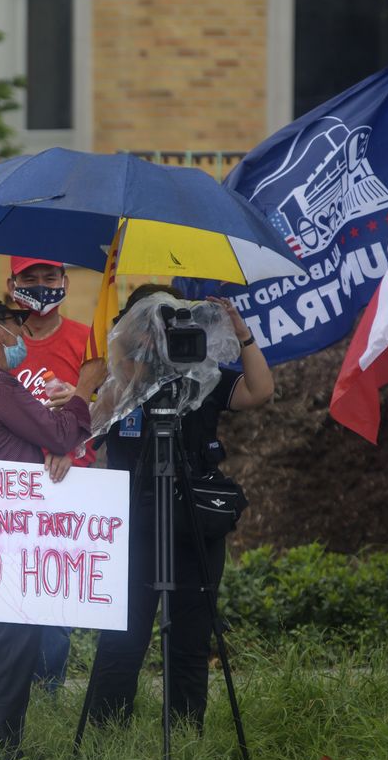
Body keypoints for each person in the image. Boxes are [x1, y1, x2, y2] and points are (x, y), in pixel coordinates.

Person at [83, 285, 274, 732]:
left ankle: (186, 735)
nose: (161, 333)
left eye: (171, 320)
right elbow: (87, 432)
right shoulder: (121, 386)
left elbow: (260, 391)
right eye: (151, 323)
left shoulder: (203, 377)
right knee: (123, 639)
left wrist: (242, 335)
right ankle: (106, 736)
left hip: (195, 526)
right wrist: (130, 363)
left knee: (190, 639)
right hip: (135, 527)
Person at [0, 291, 105, 757]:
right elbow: (55, 431)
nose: (22, 332)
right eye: (15, 323)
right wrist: (81, 394)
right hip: (11, 534)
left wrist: (55, 442)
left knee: (10, 643)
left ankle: (1, 745)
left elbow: (45, 437)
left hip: (2, 529)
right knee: (11, 645)